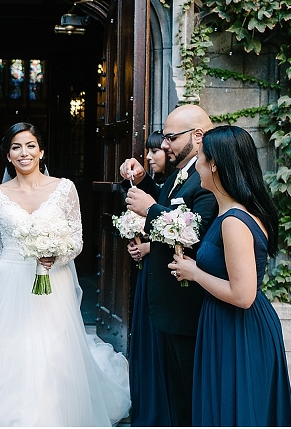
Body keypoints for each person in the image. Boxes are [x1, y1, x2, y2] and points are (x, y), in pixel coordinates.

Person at [0, 122, 131, 427]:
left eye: (30, 146)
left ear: (41, 150)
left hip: (54, 282)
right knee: (11, 353)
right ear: (8, 156)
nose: (24, 153)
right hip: (9, 282)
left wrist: (56, 255)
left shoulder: (64, 189)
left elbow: (76, 241)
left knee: (53, 352)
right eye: (16, 147)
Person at [168, 126, 291, 426]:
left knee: (235, 412)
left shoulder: (235, 221)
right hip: (227, 323)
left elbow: (243, 295)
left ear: (214, 165)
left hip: (238, 327)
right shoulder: (232, 213)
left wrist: (195, 273)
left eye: (200, 158)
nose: (196, 165)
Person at [119, 105, 218, 426]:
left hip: (184, 306)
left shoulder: (209, 180)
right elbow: (165, 201)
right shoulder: (182, 172)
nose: (164, 145)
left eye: (171, 137)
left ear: (198, 136)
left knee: (187, 395)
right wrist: (144, 182)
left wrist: (150, 210)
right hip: (164, 301)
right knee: (171, 394)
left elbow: (195, 232)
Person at [124, 131, 174, 426]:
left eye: (156, 150)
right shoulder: (162, 185)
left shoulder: (176, 184)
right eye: (149, 151)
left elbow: (183, 224)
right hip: (149, 275)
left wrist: (149, 247)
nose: (151, 155)